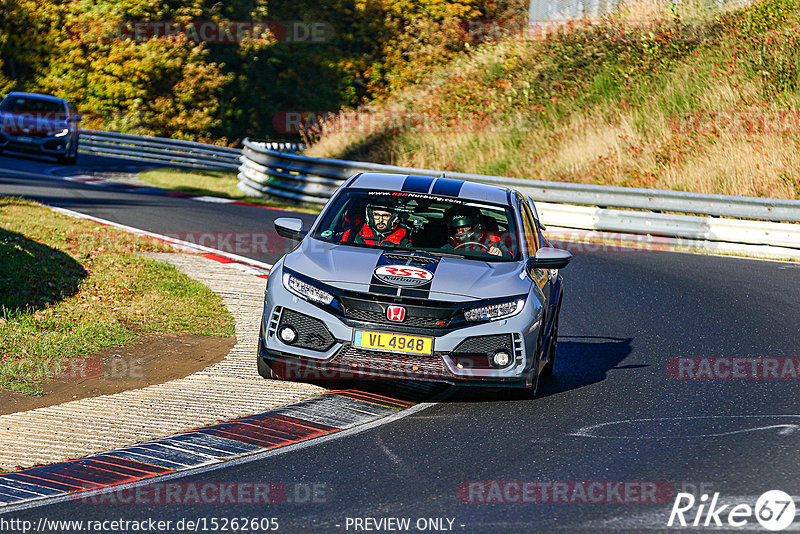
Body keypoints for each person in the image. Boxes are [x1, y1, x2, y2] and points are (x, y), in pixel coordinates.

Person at [443, 206, 510, 257]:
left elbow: (510, 260)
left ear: (475, 226)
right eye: (456, 228)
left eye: (465, 227)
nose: (460, 232)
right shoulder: (448, 248)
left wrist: (499, 254)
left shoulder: (494, 243)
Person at [341, 198, 410, 246]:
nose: (381, 220)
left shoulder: (403, 240)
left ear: (393, 218)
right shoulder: (355, 235)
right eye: (376, 215)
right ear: (370, 216)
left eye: (386, 216)